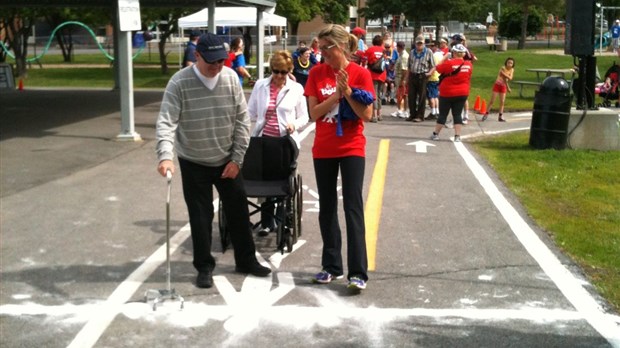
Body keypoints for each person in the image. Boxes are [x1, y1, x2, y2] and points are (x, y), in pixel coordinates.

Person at [156, 33, 271, 289]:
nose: (217, 67)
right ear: (196, 56)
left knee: (239, 213)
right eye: (212, 62)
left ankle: (246, 260)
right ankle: (204, 266)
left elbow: (243, 121)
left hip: (227, 160)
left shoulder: (231, 78)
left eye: (222, 61)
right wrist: (165, 156)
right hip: (193, 161)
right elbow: (166, 122)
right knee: (200, 217)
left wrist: (237, 159)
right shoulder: (179, 83)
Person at [304, 24, 374, 291]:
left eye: (327, 48)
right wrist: (335, 94)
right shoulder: (316, 73)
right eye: (319, 49)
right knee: (327, 208)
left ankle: (358, 272)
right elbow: (314, 114)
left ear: (342, 46)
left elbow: (365, 115)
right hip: (323, 149)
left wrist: (347, 92)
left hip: (351, 148)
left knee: (352, 207)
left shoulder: (361, 74)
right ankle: (331, 266)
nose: (322, 54)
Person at [247, 50, 309, 235]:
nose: (279, 76)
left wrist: (294, 124)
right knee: (265, 181)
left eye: (283, 72)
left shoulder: (296, 89)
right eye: (276, 71)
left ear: (289, 70)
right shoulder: (260, 86)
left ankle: (282, 219)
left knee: (281, 182)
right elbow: (250, 113)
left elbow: (304, 116)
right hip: (263, 141)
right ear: (271, 69)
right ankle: (267, 222)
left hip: (285, 143)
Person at [430, 44, 473, 142]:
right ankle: (457, 136)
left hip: (447, 92)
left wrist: (445, 58)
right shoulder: (469, 65)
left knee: (443, 114)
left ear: (453, 52)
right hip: (462, 92)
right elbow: (469, 76)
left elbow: (438, 68)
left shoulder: (449, 63)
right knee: (457, 114)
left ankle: (436, 134)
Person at [406, 35, 436, 122]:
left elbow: (433, 66)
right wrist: (406, 78)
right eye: (418, 44)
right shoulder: (412, 52)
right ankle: (412, 114)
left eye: (421, 44)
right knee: (411, 96)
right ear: (415, 44)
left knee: (422, 97)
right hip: (413, 75)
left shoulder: (428, 52)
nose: (419, 45)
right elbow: (409, 66)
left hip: (422, 76)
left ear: (423, 44)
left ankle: (420, 116)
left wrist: (429, 73)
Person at [483, 57, 515, 122]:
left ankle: (500, 116)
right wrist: (508, 84)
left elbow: (510, 78)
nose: (509, 64)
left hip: (503, 86)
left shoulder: (512, 70)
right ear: (506, 62)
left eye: (511, 63)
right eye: (508, 62)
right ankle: (486, 114)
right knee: (492, 100)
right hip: (497, 85)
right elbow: (503, 77)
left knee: (502, 101)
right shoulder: (503, 68)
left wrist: (506, 77)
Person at [366, 35, 387, 122]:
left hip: (372, 74)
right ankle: (379, 114)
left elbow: (365, 59)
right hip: (382, 74)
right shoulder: (384, 51)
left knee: (374, 94)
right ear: (381, 42)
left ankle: (373, 115)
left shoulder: (370, 50)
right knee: (379, 94)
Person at [391, 41, 409, 118]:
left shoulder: (404, 56)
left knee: (403, 95)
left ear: (399, 47)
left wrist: (403, 80)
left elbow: (404, 69)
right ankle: (400, 110)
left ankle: (404, 111)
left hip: (401, 78)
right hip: (399, 78)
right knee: (400, 95)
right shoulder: (401, 55)